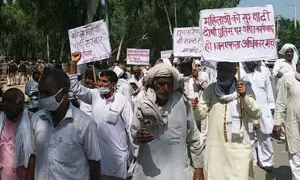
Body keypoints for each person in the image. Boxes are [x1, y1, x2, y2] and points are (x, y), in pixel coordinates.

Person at [131, 63, 204, 180]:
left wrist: (199, 168)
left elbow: (194, 137)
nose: (165, 89)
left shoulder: (182, 102)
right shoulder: (142, 102)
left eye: (168, 84)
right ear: (153, 83)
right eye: (161, 84)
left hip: (177, 171)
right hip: (149, 172)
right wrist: (137, 136)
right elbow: (133, 132)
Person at [26, 68, 101, 180]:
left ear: (64, 93)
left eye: (47, 93)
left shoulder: (85, 124)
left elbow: (94, 162)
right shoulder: (37, 119)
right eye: (40, 93)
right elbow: (33, 155)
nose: (43, 98)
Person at [69, 52, 134, 180]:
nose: (100, 83)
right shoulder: (94, 95)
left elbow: (131, 129)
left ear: (113, 85)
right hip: (96, 159)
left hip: (117, 160)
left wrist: (134, 156)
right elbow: (75, 88)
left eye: (104, 81)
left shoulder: (122, 101)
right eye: (99, 80)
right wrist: (73, 64)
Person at [194, 62, 261, 180]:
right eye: (220, 69)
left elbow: (256, 113)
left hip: (239, 147)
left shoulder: (244, 88)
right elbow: (201, 115)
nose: (222, 73)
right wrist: (194, 107)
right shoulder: (211, 89)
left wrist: (244, 96)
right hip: (216, 147)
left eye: (226, 69)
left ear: (235, 72)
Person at [241, 61, 275, 172]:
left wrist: (271, 106)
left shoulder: (264, 71)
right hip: (248, 107)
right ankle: (252, 162)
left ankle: (267, 161)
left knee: (264, 135)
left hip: (263, 108)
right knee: (250, 136)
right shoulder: (240, 71)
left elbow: (269, 89)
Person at [0, 88, 33, 180]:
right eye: (3, 101)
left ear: (20, 103)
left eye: (9, 101)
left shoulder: (33, 121)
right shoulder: (0, 120)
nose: (5, 105)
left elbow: (35, 154)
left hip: (23, 175)